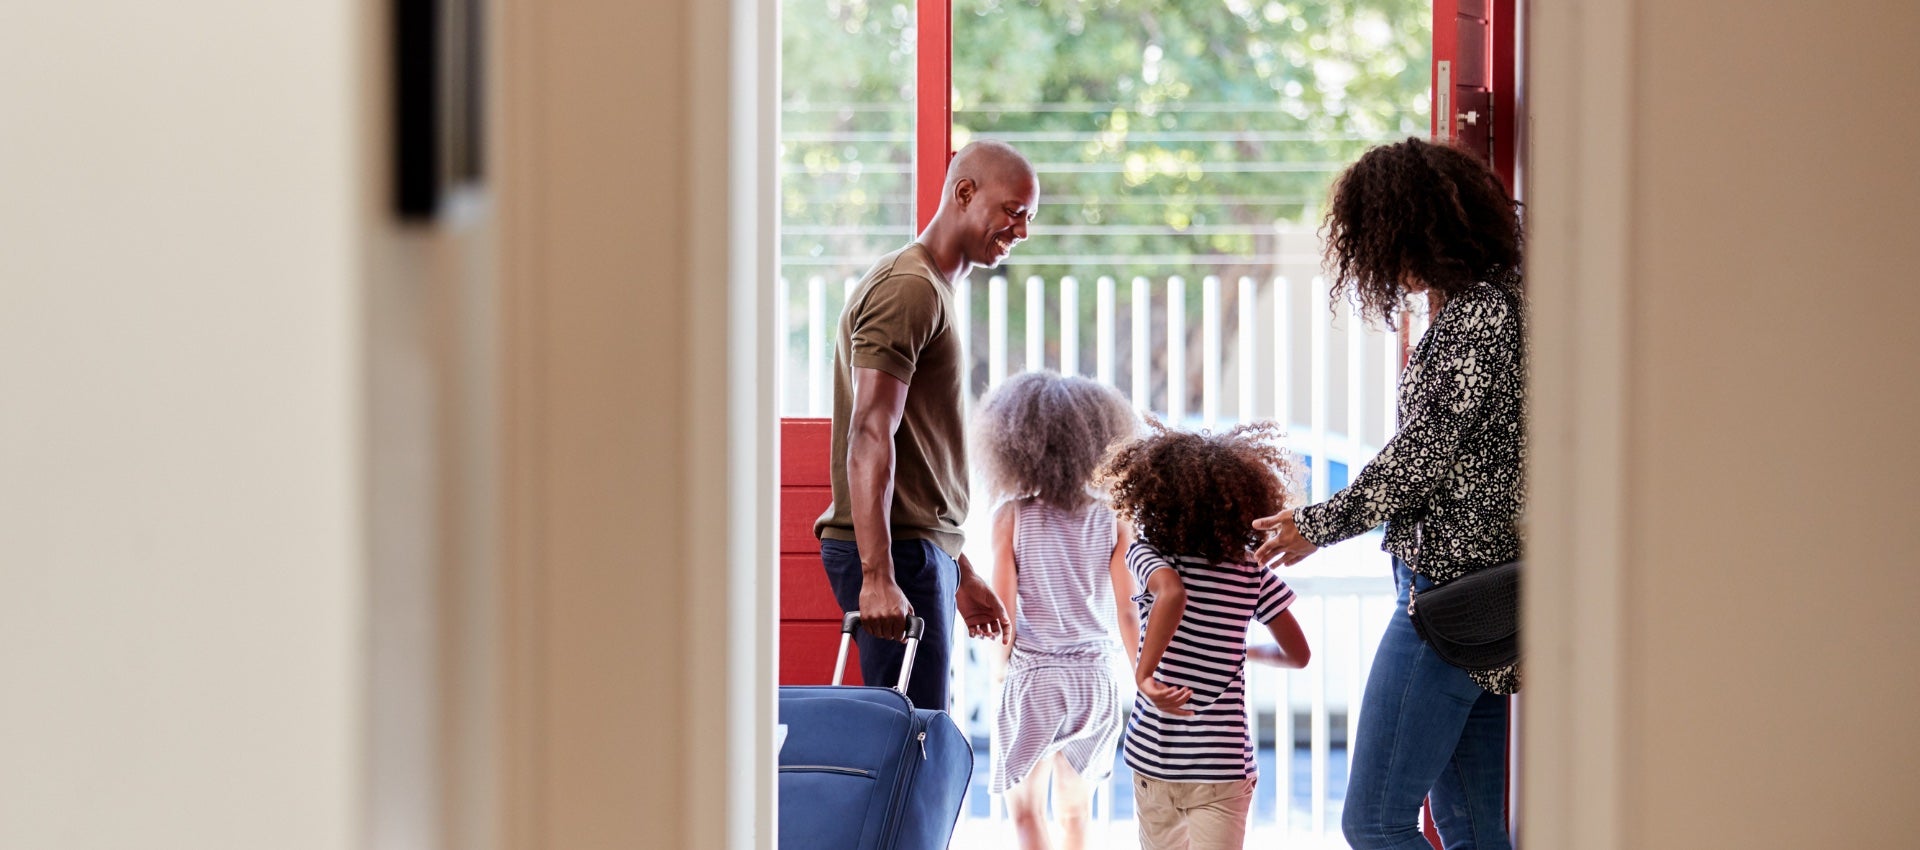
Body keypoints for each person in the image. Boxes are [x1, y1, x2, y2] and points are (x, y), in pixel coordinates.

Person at [1253, 137, 1526, 850]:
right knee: (1472, 831)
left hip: (1450, 598)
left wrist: (1317, 524)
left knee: (1373, 823)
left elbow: (1423, 455)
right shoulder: (1502, 303)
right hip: (1484, 594)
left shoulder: (1480, 316)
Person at [813, 140, 1037, 709]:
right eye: (1013, 212)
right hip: (897, 555)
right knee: (907, 753)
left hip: (918, 550)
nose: (1021, 231)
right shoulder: (908, 288)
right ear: (965, 192)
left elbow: (917, 460)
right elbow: (869, 432)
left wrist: (959, 573)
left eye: (1028, 218)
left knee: (919, 742)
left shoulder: (932, 288)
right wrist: (878, 576)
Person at [1102, 421, 1312, 850]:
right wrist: (1244, 649)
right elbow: (1299, 654)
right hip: (1223, 765)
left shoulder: (1147, 552)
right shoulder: (1251, 568)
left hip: (1155, 757)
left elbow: (1171, 593)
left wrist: (1145, 677)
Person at [971, 372, 1141, 850]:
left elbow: (1002, 614)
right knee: (1075, 814)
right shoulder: (1113, 516)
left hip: (1034, 680)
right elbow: (1128, 612)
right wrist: (1142, 676)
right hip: (1095, 679)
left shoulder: (1010, 516)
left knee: (1026, 814)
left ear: (1016, 444)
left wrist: (1000, 675)